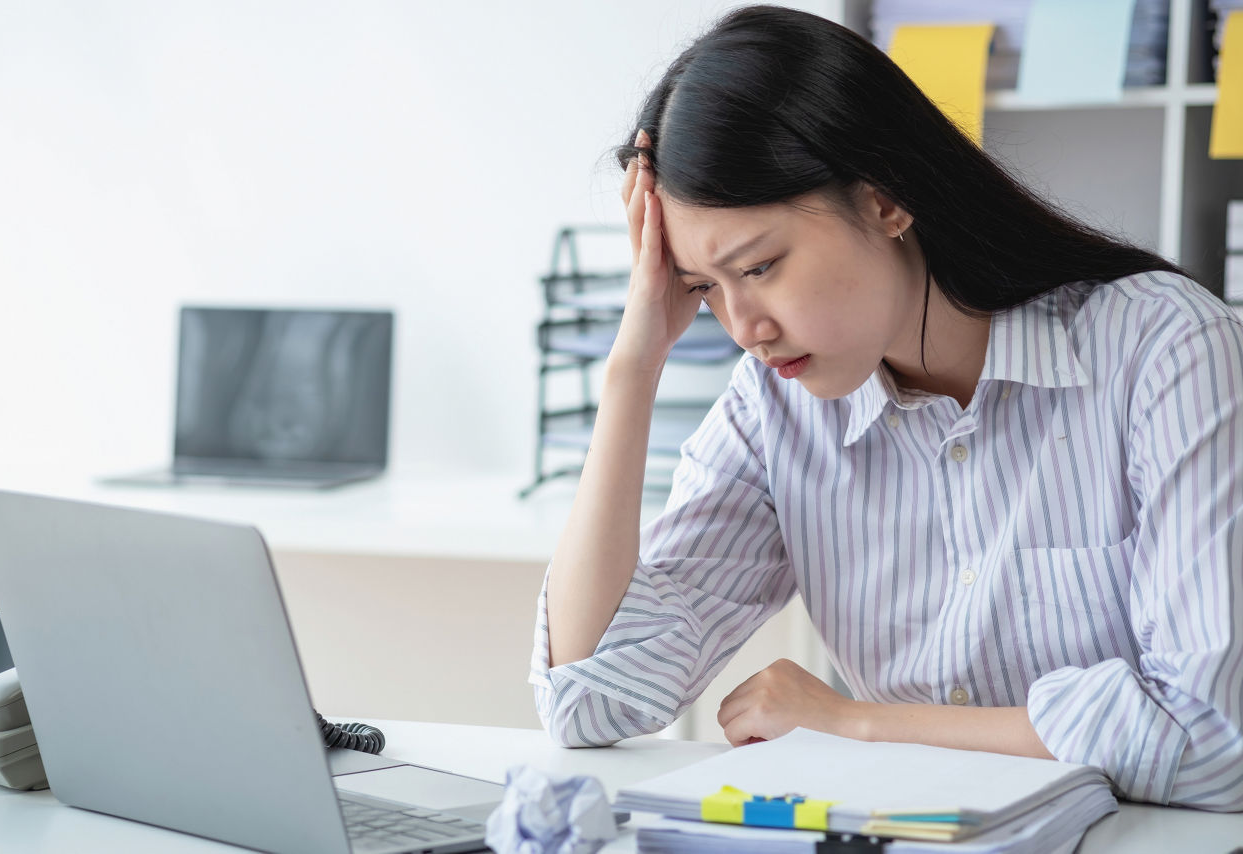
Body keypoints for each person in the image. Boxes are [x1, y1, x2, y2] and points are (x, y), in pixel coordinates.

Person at [528, 5, 1243, 811]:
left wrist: (856, 723)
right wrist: (634, 366)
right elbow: (589, 698)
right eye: (703, 290)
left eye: (759, 267)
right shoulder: (776, 408)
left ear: (886, 200)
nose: (744, 330)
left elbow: (1217, 742)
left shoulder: (1163, 348)